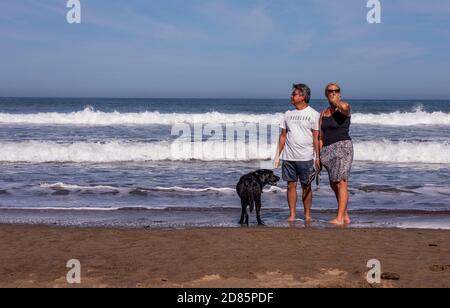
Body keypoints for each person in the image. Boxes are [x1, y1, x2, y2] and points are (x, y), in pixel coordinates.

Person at [274, 84, 321, 222]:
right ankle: (292, 215)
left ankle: (307, 215)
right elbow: (283, 136)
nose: (291, 96)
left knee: (306, 186)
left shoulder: (314, 114)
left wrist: (317, 157)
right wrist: (277, 155)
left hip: (306, 157)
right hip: (288, 157)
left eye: (294, 94)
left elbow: (316, 138)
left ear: (303, 97)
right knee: (290, 186)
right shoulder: (287, 114)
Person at [319, 83, 354, 225]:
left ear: (340, 93)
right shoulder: (323, 114)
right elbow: (320, 137)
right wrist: (318, 156)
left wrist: (336, 103)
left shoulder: (344, 108)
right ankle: (345, 215)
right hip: (327, 150)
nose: (333, 92)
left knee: (342, 182)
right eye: (330, 91)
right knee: (334, 184)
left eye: (336, 91)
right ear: (326, 94)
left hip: (343, 147)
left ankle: (339, 218)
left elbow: (345, 108)